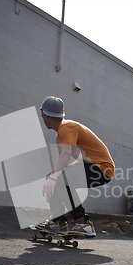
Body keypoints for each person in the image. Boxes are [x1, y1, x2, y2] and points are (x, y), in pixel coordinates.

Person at [36, 96, 115, 236]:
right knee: (57, 179)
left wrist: (54, 178)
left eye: (42, 116)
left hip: (102, 168)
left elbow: (66, 154)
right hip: (95, 167)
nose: (42, 119)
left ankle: (83, 223)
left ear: (45, 115)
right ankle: (58, 222)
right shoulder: (60, 136)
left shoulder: (67, 127)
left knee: (57, 179)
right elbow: (67, 158)